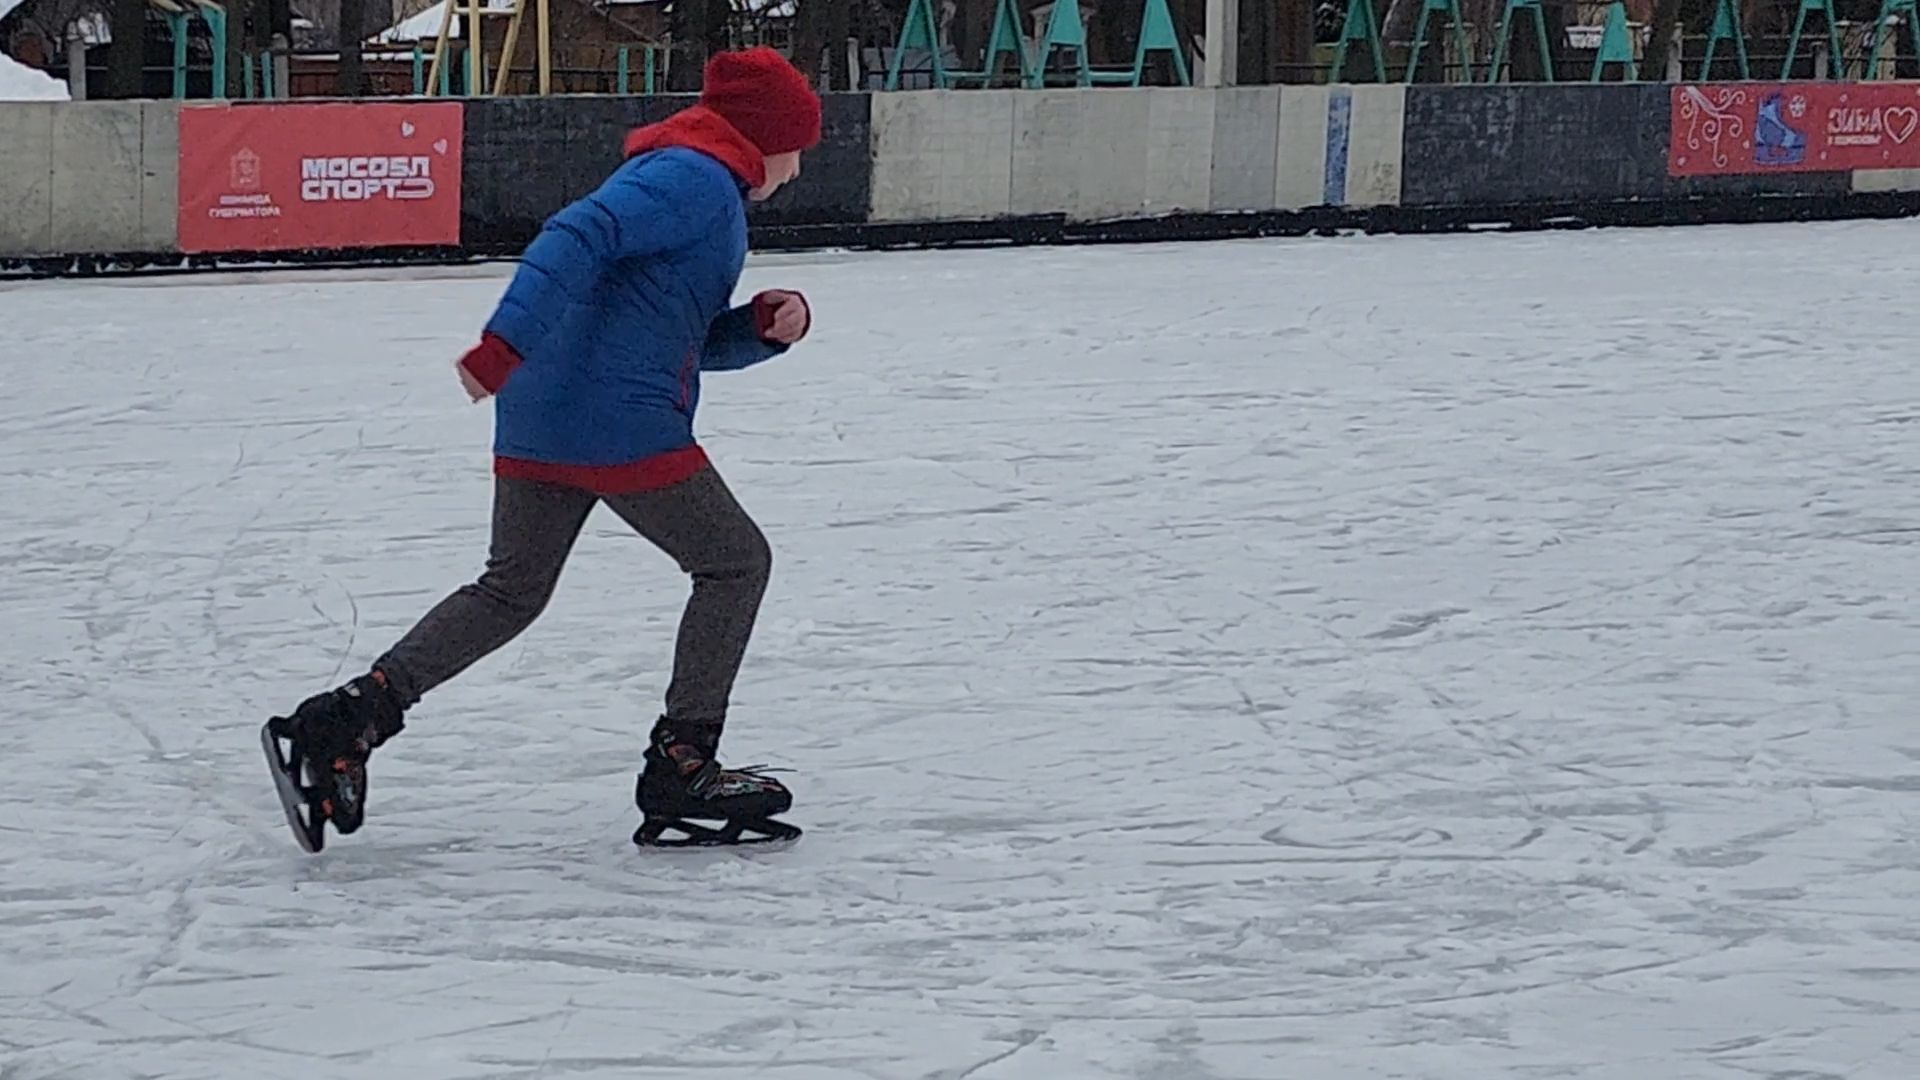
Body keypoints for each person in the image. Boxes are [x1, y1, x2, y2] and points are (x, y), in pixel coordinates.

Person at [262, 47, 822, 852]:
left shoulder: (693, 181)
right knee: (734, 562)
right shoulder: (696, 178)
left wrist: (759, 331)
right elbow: (576, 232)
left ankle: (344, 724)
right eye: (798, 145)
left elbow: (675, 333)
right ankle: (684, 764)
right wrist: (503, 343)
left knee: (510, 590)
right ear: (764, 134)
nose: (799, 168)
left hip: (544, 414)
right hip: (617, 421)